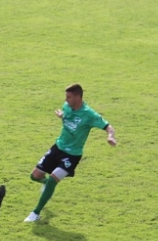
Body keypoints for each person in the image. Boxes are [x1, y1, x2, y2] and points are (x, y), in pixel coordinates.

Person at [25, 83, 116, 223]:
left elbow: (108, 126)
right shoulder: (66, 106)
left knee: (53, 180)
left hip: (72, 155)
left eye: (69, 97)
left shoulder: (89, 114)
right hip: (57, 147)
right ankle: (46, 184)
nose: (66, 100)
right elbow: (68, 117)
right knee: (34, 176)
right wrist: (62, 116)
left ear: (78, 97)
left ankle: (35, 213)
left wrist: (110, 136)